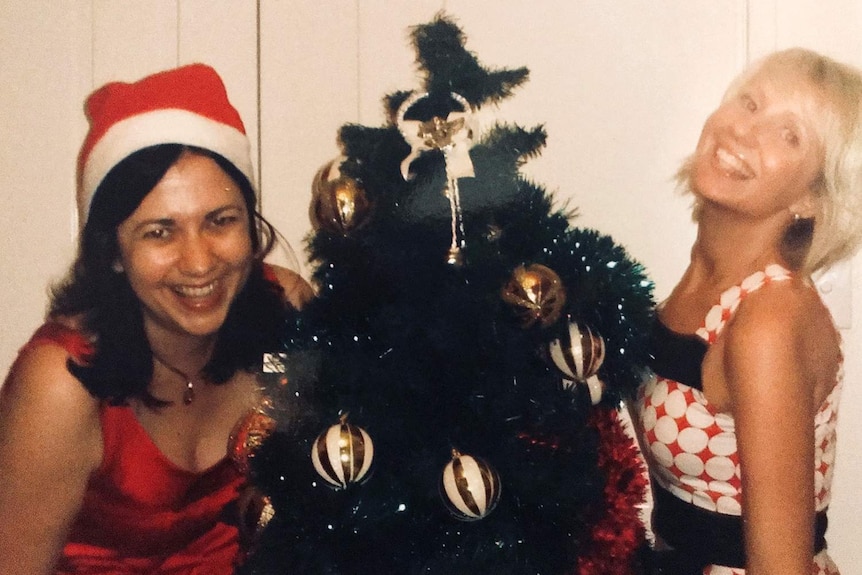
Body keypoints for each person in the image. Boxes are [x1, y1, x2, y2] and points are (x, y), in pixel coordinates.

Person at [0, 64, 313, 574]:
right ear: (114, 252)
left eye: (220, 221)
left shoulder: (286, 312)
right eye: (159, 232)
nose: (199, 262)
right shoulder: (60, 383)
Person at [631, 48, 862, 575]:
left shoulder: (768, 320)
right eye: (750, 103)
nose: (745, 132)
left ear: (812, 198)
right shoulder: (704, 281)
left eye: (790, 135)